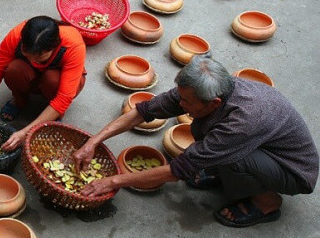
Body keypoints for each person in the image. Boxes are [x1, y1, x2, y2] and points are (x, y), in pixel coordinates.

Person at [72, 56, 318, 228]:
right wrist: (93, 141)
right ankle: (222, 172)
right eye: (180, 97)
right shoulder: (203, 90)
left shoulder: (242, 120)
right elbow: (144, 111)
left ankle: (267, 202)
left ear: (215, 103)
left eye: (186, 102)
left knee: (233, 159)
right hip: (260, 145)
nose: (180, 104)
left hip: (292, 170)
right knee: (200, 128)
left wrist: (112, 181)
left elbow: (177, 171)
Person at [0, 16, 86, 151]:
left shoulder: (73, 45)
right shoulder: (16, 35)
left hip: (56, 80)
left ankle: (54, 116)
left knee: (52, 80)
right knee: (14, 70)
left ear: (54, 47)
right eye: (26, 53)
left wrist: (25, 132)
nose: (32, 61)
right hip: (30, 74)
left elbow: (63, 98)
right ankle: (19, 101)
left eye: (40, 57)